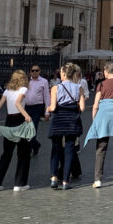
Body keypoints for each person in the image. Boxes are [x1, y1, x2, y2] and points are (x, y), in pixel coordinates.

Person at [0, 69, 33, 191]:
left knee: (6, 153)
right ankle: (20, 183)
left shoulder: (7, 91)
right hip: (20, 120)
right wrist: (26, 116)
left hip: (9, 121)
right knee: (23, 153)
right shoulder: (23, 89)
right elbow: (18, 103)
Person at [47, 62, 86, 190]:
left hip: (58, 119)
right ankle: (65, 181)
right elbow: (82, 107)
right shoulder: (79, 88)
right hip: (72, 120)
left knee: (55, 148)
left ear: (64, 74)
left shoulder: (55, 88)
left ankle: (53, 178)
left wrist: (47, 108)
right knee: (70, 149)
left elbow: (52, 107)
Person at [23, 65, 50, 158]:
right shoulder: (26, 81)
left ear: (39, 71)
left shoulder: (44, 82)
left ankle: (29, 149)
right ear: (30, 72)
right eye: (32, 70)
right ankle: (36, 145)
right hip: (26, 108)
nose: (34, 72)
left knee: (32, 129)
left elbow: (47, 96)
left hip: (37, 108)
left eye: (36, 70)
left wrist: (47, 112)